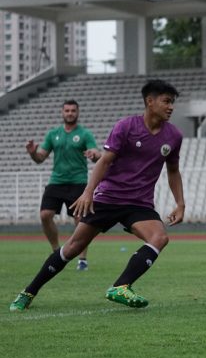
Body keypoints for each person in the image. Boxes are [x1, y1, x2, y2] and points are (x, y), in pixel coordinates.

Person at [10, 80, 185, 312]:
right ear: (150, 102)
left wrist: (180, 203)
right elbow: (104, 161)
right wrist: (88, 192)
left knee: (159, 237)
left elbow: (173, 170)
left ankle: (120, 286)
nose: (171, 107)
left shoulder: (174, 136)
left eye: (172, 102)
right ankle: (28, 292)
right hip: (108, 197)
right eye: (166, 101)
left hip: (139, 203)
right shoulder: (126, 126)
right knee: (72, 248)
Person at [25, 100, 102, 271]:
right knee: (45, 215)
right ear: (62, 112)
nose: (70, 113)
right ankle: (56, 251)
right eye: (67, 110)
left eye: (73, 110)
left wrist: (94, 154)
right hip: (56, 181)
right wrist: (33, 153)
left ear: (77, 112)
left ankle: (82, 259)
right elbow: (40, 158)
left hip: (78, 182)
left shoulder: (85, 134)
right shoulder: (53, 134)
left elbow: (97, 154)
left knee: (81, 220)